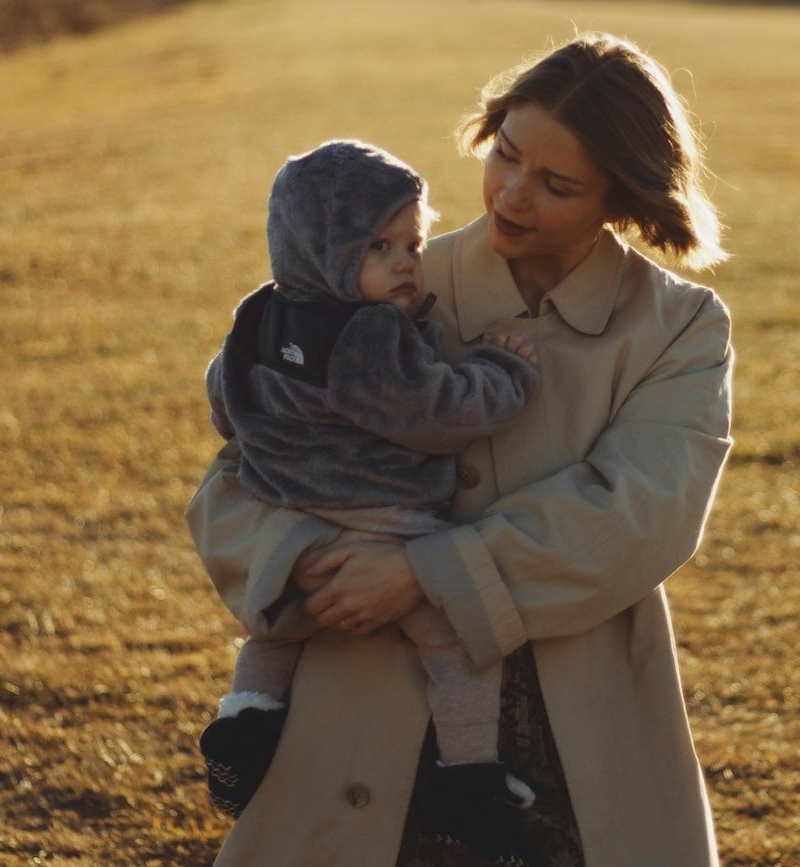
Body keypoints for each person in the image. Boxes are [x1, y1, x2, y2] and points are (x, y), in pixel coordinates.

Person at [187, 31, 735, 867]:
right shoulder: (381, 285)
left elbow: (642, 511)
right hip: (357, 715)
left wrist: (425, 571)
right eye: (504, 155)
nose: (510, 195)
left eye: (554, 184)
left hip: (581, 733)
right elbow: (236, 479)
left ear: (622, 198)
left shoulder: (681, 326)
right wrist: (305, 560)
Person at [197, 140, 541, 855]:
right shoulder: (368, 335)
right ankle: (469, 771)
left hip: (293, 520)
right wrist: (502, 370)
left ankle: (246, 712)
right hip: (386, 520)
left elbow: (223, 404)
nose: (407, 262)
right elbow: (434, 412)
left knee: (276, 630)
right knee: (455, 644)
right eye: (379, 245)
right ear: (324, 248)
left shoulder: (257, 314)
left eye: (412, 242)